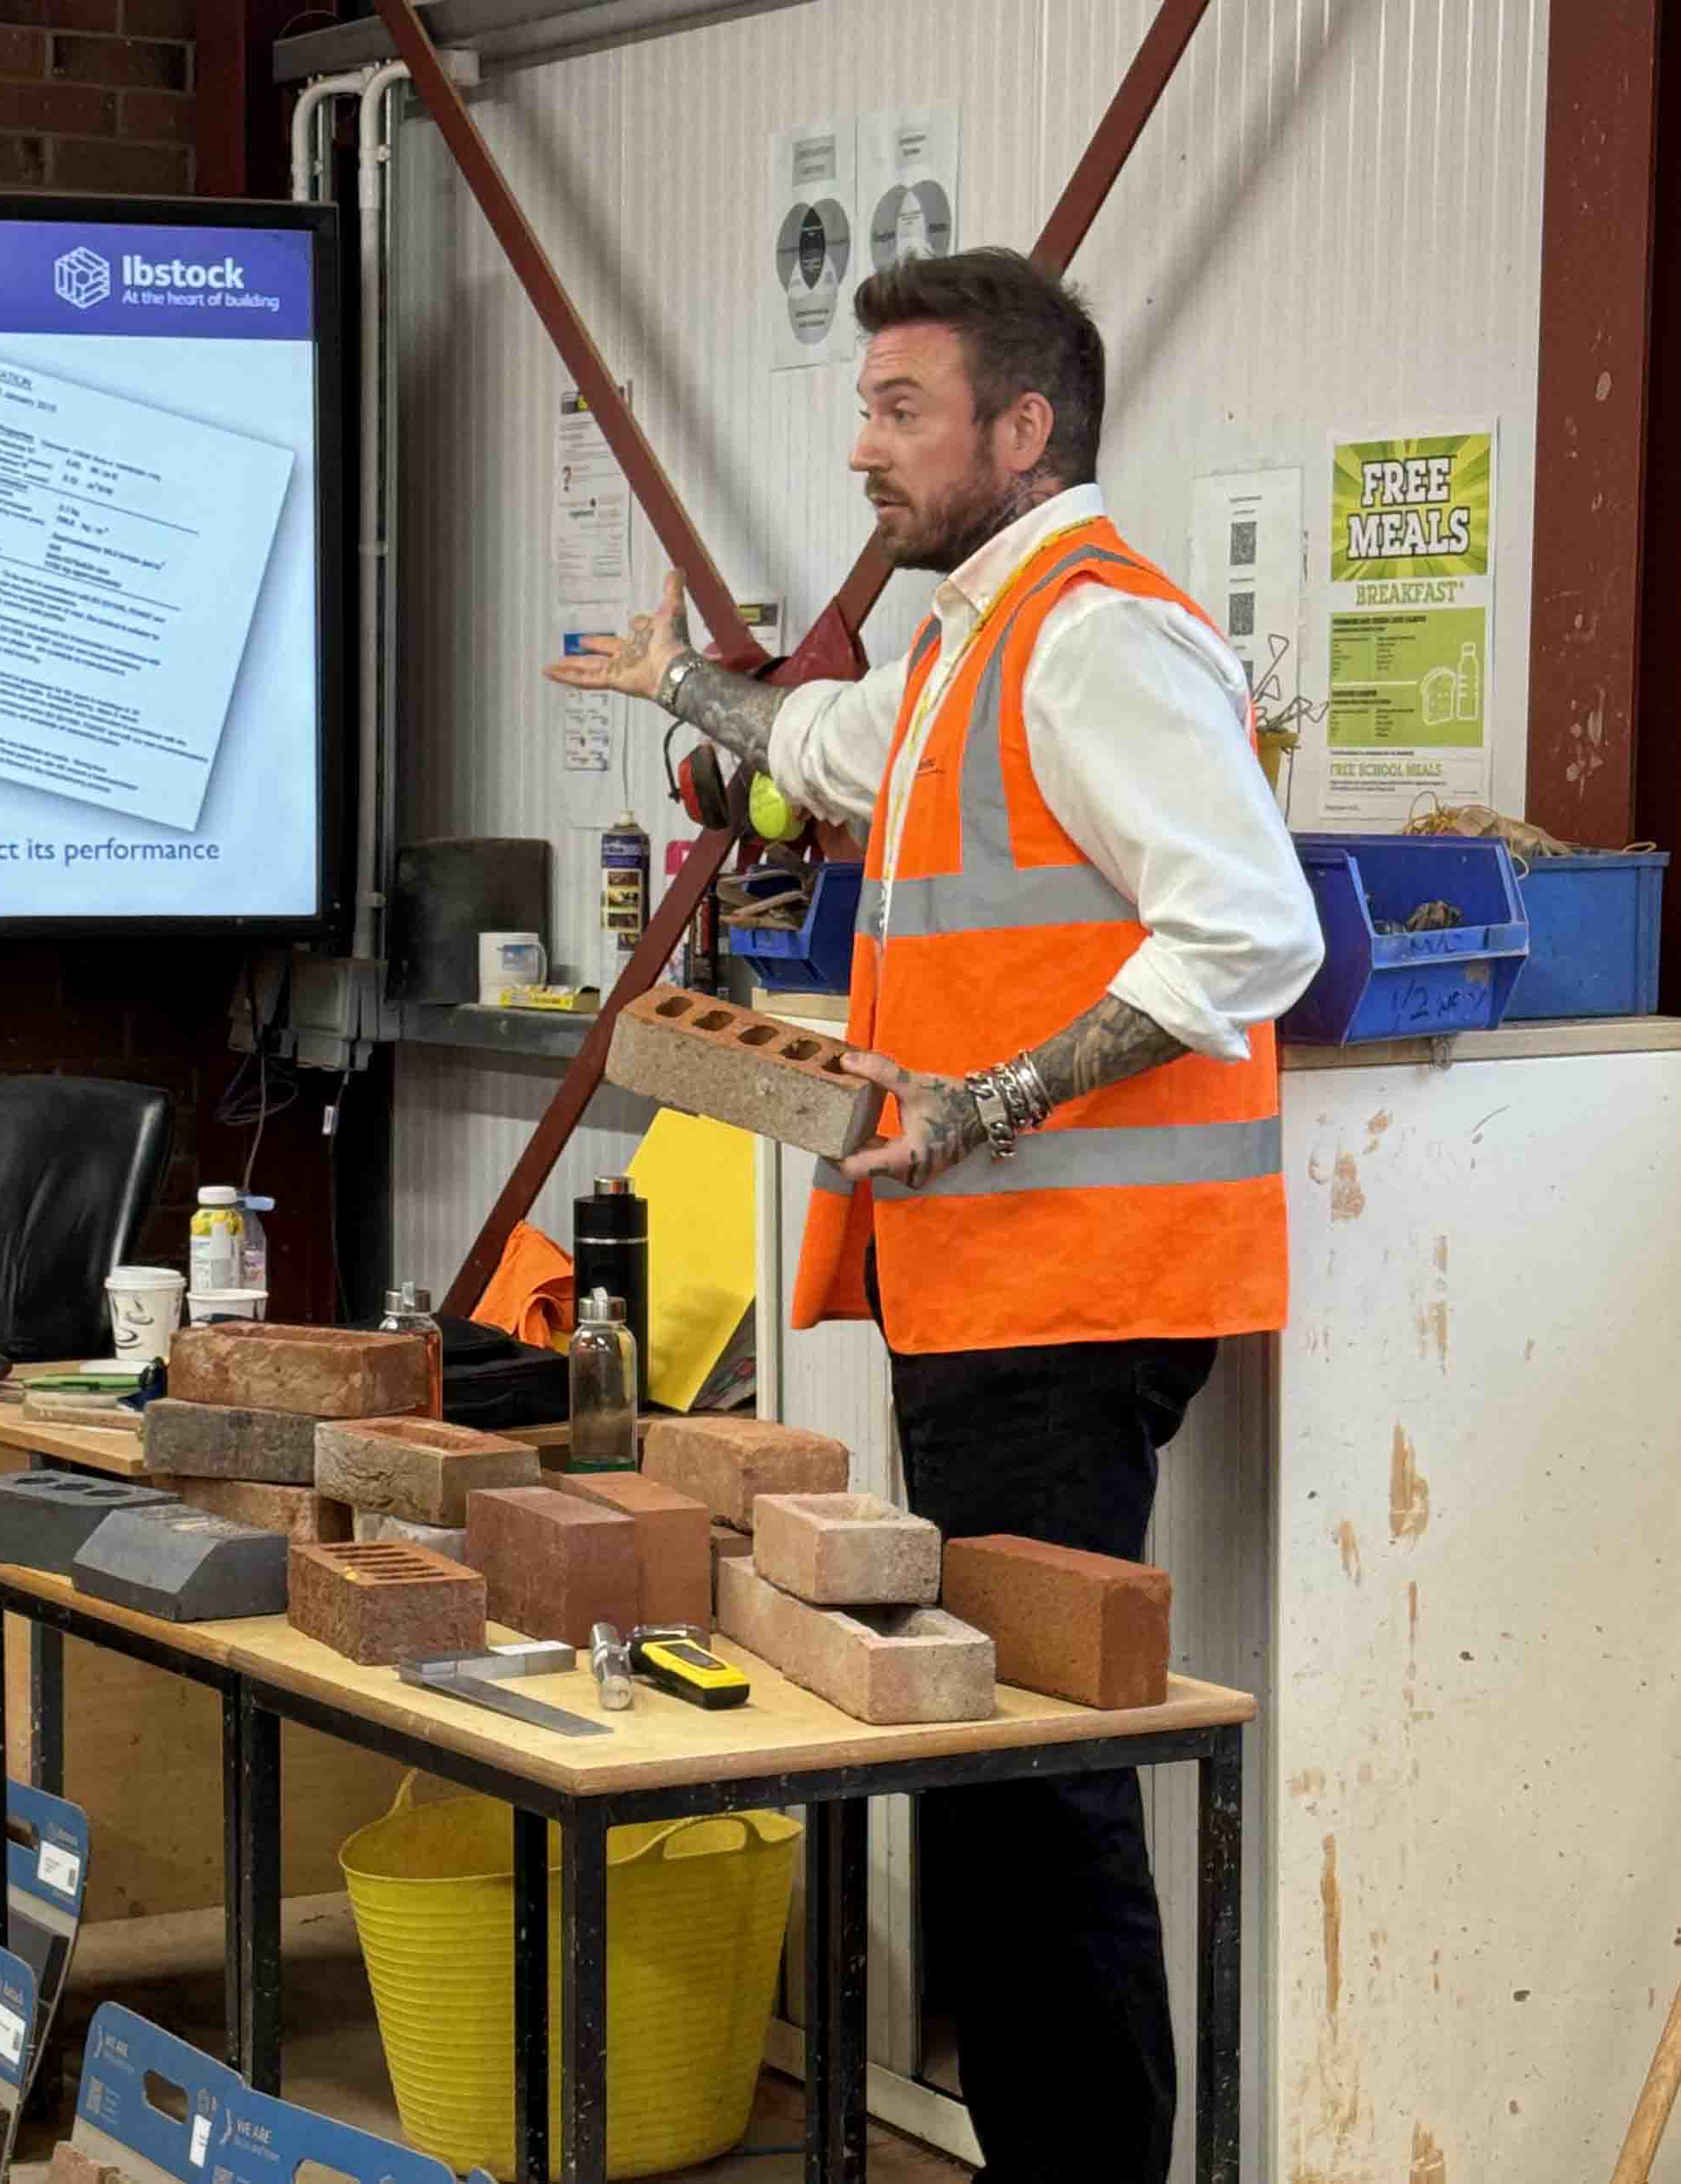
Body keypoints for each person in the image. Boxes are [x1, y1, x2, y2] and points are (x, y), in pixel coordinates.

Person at [544, 246, 1320, 2183]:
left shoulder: (1098, 637)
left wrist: (994, 1096)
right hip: (984, 1283)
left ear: (1022, 425)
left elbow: (1258, 928)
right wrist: (688, 685)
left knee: (1039, 1782)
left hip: (1074, 1288)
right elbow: (828, 750)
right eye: (866, 407)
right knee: (989, 1775)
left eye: (903, 410)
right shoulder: (980, 636)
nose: (864, 447)